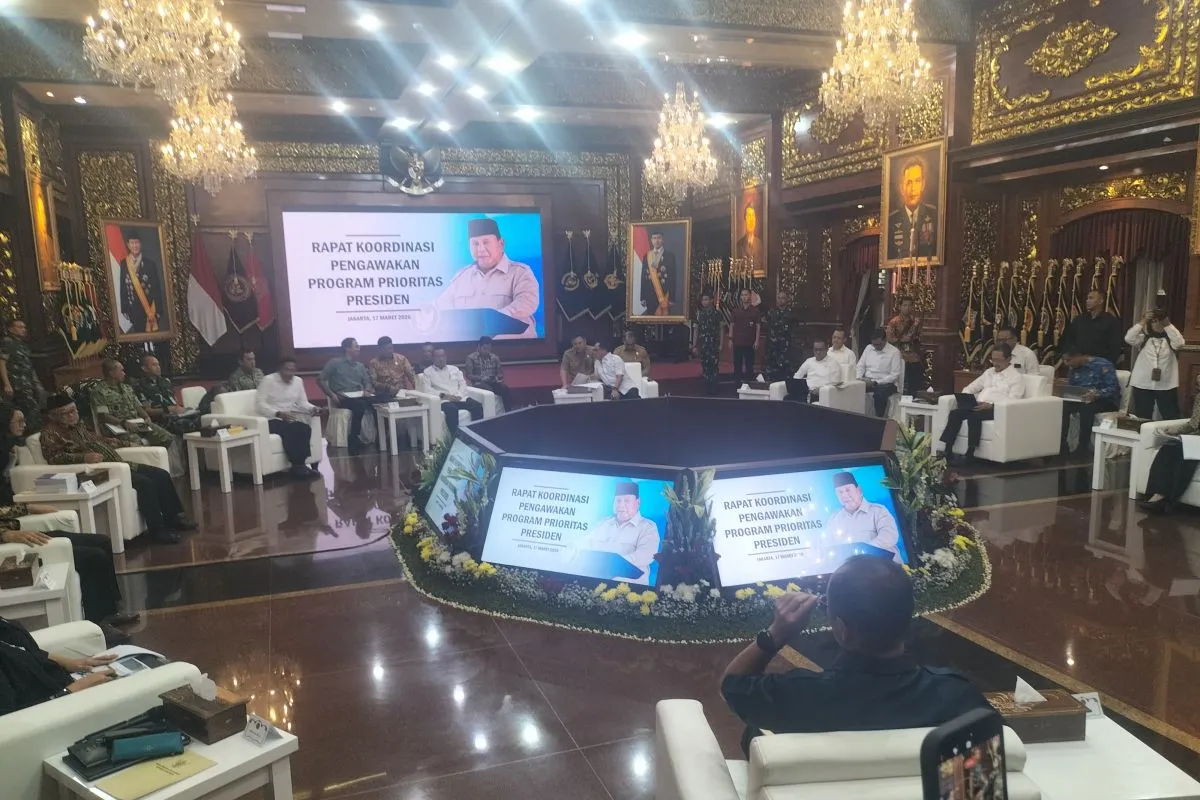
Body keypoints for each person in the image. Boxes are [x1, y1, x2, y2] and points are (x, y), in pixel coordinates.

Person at [721, 556, 990, 756]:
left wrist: (777, 633)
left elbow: (733, 685)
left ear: (842, 629)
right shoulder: (958, 696)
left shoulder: (800, 696)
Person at [0, 406, 137, 640]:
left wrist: (26, 507)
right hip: (12, 539)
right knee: (93, 556)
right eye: (18, 420)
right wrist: (5, 534)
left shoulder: (7, 450)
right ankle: (95, 626)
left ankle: (109, 612)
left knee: (102, 542)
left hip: (16, 527)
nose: (24, 424)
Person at [40, 393, 194, 543]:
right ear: (53, 416)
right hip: (99, 471)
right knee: (145, 483)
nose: (72, 415)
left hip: (117, 463)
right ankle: (157, 530)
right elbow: (54, 458)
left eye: (74, 411)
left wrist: (125, 444)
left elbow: (99, 440)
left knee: (160, 474)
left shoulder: (79, 427)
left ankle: (174, 518)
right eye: (66, 413)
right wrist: (83, 457)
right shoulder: (49, 434)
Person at [436, 217, 540, 335]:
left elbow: (527, 304)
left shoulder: (520, 273)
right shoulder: (461, 276)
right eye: (475, 243)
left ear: (501, 244)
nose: (480, 249)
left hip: (516, 349)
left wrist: (490, 320)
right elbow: (441, 308)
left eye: (486, 242)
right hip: (469, 350)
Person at [0, 616, 119, 715]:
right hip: (57, 712)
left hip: (66, 686)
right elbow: (11, 720)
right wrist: (75, 689)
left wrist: (69, 663)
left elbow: (29, 651)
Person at [938, 343, 1026, 464]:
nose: (995, 363)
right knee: (955, 414)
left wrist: (991, 406)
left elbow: (1014, 401)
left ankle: (971, 452)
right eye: (993, 360)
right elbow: (971, 387)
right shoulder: (989, 372)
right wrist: (967, 398)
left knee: (974, 417)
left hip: (997, 409)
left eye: (998, 360)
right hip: (979, 405)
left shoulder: (1016, 377)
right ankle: (947, 450)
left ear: (1008, 359)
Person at [1139, 373, 1200, 513]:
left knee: (1181, 450)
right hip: (1196, 438)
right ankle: (1156, 495)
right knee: (1169, 447)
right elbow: (1193, 424)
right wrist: (1175, 430)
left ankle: (1168, 499)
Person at [580, 481, 660, 581]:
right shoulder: (602, 524)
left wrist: (613, 565)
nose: (621, 505)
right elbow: (584, 547)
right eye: (618, 501)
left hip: (632, 590)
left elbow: (647, 555)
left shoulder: (647, 527)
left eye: (626, 501)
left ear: (638, 502)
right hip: (596, 584)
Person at [257, 356, 320, 478]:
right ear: (280, 369)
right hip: (271, 419)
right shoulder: (268, 380)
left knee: (304, 428)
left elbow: (302, 402)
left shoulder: (298, 381)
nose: (290, 373)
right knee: (294, 429)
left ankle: (299, 465)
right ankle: (298, 466)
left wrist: (313, 408)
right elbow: (260, 404)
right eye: (287, 369)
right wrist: (278, 413)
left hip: (289, 418)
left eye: (293, 370)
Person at [90, 359, 175, 449]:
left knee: (166, 437)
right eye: (121, 371)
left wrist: (146, 417)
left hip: (136, 424)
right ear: (112, 373)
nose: (124, 373)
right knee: (137, 443)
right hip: (117, 427)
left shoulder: (127, 388)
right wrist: (123, 422)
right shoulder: (99, 391)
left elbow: (137, 406)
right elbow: (103, 416)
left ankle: (155, 460)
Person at [1060, 348, 1121, 455]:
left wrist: (1097, 394)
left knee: (1086, 408)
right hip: (1081, 398)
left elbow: (1114, 388)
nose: (1066, 363)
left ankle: (1083, 447)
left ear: (1078, 356)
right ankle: (1062, 445)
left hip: (1105, 400)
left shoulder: (1103, 364)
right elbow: (1072, 387)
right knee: (1062, 407)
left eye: (1069, 360)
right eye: (1064, 360)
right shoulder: (1073, 368)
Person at [826, 472, 901, 558]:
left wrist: (863, 552)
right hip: (851, 569)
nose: (845, 495)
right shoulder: (834, 518)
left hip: (884, 567)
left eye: (848, 490)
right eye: (840, 492)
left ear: (859, 490)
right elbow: (827, 545)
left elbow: (890, 537)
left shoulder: (878, 511)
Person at [318, 338, 374, 453]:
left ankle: (381, 437)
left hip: (360, 395)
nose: (359, 348)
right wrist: (332, 395)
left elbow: (367, 381)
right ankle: (353, 436)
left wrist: (367, 389)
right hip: (343, 397)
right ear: (347, 348)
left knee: (379, 400)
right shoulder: (334, 363)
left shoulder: (360, 366)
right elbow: (321, 380)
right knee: (360, 405)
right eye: (356, 346)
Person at [1126, 309, 1183, 421]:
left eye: (1159, 321)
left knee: (1171, 416)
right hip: (1143, 384)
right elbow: (1129, 338)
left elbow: (1179, 343)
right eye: (1154, 321)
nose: (1157, 324)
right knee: (1142, 417)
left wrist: (1168, 325)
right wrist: (1142, 321)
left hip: (1166, 384)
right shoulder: (1143, 339)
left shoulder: (1170, 339)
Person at [132, 354, 199, 436]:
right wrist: (168, 410)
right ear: (144, 368)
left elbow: (174, 401)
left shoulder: (165, 381)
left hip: (176, 414)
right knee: (187, 424)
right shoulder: (139, 385)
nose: (158, 367)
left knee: (200, 417)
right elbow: (146, 411)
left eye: (158, 364)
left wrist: (179, 409)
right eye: (154, 365)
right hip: (160, 419)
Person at [886, 157, 938, 261]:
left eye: (917, 181)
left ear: (923, 184)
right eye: (909, 182)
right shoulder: (891, 220)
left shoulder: (934, 215)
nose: (913, 188)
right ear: (902, 188)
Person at [116, 229, 166, 334]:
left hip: (149, 310)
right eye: (132, 243)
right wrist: (124, 308)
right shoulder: (125, 264)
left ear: (141, 244)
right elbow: (123, 287)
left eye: (137, 242)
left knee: (153, 341)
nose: (135, 246)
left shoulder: (150, 264)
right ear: (128, 245)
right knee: (139, 341)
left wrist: (158, 311)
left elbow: (157, 289)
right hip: (133, 309)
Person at [0, 319, 45, 433]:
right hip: (16, 385)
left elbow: (29, 365)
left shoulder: (23, 345)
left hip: (27, 384)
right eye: (20, 327)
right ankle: (32, 434)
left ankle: (31, 434)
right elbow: (2, 363)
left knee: (30, 410)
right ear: (10, 328)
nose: (23, 330)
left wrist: (36, 383)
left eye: (24, 327)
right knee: (29, 410)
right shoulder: (7, 342)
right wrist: (6, 384)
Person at [424, 347, 483, 435]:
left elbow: (463, 384)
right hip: (444, 401)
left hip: (459, 398)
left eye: (443, 356)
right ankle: (456, 438)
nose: (441, 359)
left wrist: (459, 395)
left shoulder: (454, 369)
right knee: (452, 409)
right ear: (433, 358)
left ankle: (476, 435)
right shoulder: (428, 372)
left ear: (446, 357)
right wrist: (445, 396)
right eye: (438, 356)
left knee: (477, 405)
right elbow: (427, 390)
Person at [1061, 290, 1123, 367]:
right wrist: (1069, 356)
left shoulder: (1111, 322)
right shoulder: (1079, 319)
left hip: (1100, 367)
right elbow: (1069, 340)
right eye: (1087, 298)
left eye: (1091, 298)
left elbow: (1114, 348)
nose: (1087, 301)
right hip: (1079, 365)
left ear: (1100, 301)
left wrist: (1106, 365)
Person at [857, 328, 903, 418]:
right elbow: (860, 366)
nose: (876, 347)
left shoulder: (894, 352)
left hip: (886, 383)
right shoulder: (869, 348)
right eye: (874, 344)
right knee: (851, 388)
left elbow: (894, 375)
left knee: (880, 393)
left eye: (879, 344)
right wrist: (859, 378)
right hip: (867, 381)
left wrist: (876, 382)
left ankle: (879, 419)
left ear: (885, 340)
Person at [885, 297, 924, 394]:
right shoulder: (894, 322)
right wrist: (902, 340)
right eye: (905, 305)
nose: (907, 308)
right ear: (900, 307)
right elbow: (889, 339)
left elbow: (920, 336)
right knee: (902, 383)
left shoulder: (915, 321)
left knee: (915, 384)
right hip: (900, 356)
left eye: (910, 305)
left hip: (914, 356)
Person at [464, 336, 513, 411]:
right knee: (488, 390)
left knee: (505, 388)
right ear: (479, 346)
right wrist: (481, 378)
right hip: (479, 383)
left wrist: (498, 378)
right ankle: (490, 415)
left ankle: (508, 412)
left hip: (492, 381)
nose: (487, 351)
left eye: (489, 349)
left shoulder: (494, 357)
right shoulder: (471, 358)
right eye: (485, 348)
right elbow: (469, 375)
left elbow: (500, 373)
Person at [729, 288, 761, 386]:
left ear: (750, 296)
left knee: (749, 364)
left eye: (746, 295)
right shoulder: (736, 311)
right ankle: (737, 384)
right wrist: (730, 339)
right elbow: (732, 325)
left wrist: (757, 340)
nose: (744, 297)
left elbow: (758, 326)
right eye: (742, 295)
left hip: (750, 342)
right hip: (738, 342)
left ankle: (749, 384)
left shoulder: (755, 311)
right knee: (737, 364)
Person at [641, 231, 677, 317]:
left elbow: (673, 278)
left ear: (663, 240)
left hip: (664, 295)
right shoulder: (647, 256)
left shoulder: (669, 256)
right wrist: (642, 297)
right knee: (651, 322)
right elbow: (643, 278)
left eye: (659, 238)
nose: (657, 241)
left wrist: (671, 298)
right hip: (650, 295)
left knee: (664, 325)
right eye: (654, 238)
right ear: (651, 240)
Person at [693, 293, 723, 396]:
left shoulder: (717, 314)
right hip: (703, 344)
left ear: (711, 300)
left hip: (713, 344)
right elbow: (696, 330)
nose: (705, 302)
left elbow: (721, 329)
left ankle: (714, 388)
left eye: (706, 299)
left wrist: (721, 344)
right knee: (705, 365)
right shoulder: (700, 314)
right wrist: (694, 345)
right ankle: (706, 387)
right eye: (703, 300)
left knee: (714, 366)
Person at [763, 292, 794, 382]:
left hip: (785, 347)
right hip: (772, 347)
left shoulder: (790, 314)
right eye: (779, 298)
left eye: (783, 298)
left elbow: (792, 331)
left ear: (787, 300)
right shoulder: (771, 313)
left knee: (786, 371)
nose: (781, 300)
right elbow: (767, 327)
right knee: (771, 372)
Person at [736, 202, 764, 272]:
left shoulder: (761, 245)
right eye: (748, 216)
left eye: (752, 216)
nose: (751, 219)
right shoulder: (738, 246)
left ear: (755, 220)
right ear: (745, 219)